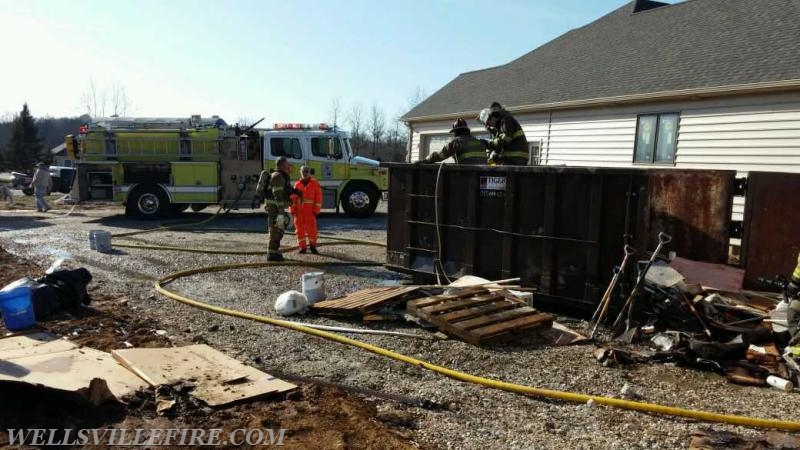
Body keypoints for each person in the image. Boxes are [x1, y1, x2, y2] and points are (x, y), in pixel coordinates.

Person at [256, 156, 300, 262]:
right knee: (275, 229)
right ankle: (271, 254)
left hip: (276, 207)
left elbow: (283, 191)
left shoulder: (280, 176)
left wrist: (294, 191)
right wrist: (280, 210)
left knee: (279, 229)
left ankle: (274, 252)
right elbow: (277, 194)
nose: (288, 166)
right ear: (283, 165)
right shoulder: (278, 176)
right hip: (275, 207)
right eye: (287, 164)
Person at [420, 118, 488, 164]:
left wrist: (426, 160)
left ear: (456, 132)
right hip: (483, 178)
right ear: (467, 130)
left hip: (467, 177)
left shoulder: (457, 142)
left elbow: (440, 155)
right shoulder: (480, 142)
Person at [290, 166, 323, 254]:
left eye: (306, 171)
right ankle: (302, 247)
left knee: (312, 230)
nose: (305, 173)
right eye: (303, 171)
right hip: (299, 211)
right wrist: (292, 210)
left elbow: (318, 197)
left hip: (310, 211)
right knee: (299, 229)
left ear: (309, 172)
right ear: (300, 172)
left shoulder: (315, 184)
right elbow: (292, 198)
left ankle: (312, 246)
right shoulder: (297, 184)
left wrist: (316, 210)